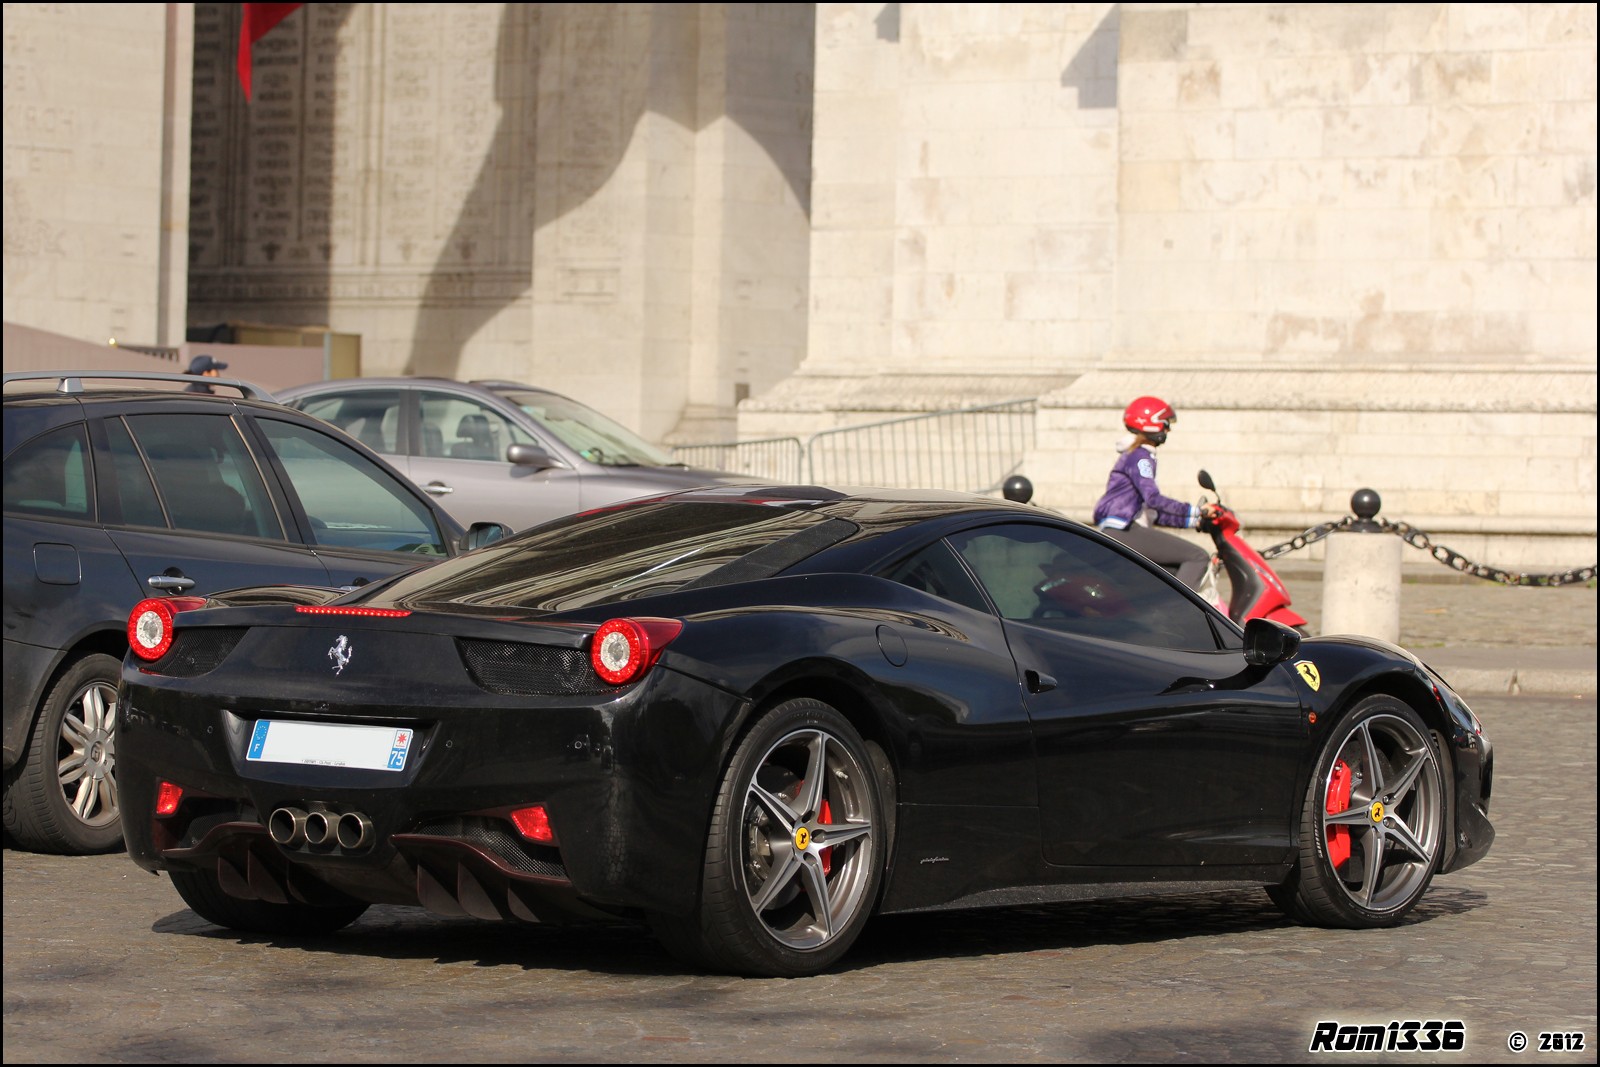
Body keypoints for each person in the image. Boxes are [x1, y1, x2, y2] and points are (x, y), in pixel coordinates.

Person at [1091, 395, 1214, 590]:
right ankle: (1179, 612)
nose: (1168, 429)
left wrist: (1194, 521)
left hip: (1122, 528)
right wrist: (1197, 510)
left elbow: (1150, 512)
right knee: (1197, 557)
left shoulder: (1135, 455)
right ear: (1150, 424)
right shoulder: (1140, 457)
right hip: (1125, 530)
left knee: (1172, 573)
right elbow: (1154, 499)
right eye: (1165, 424)